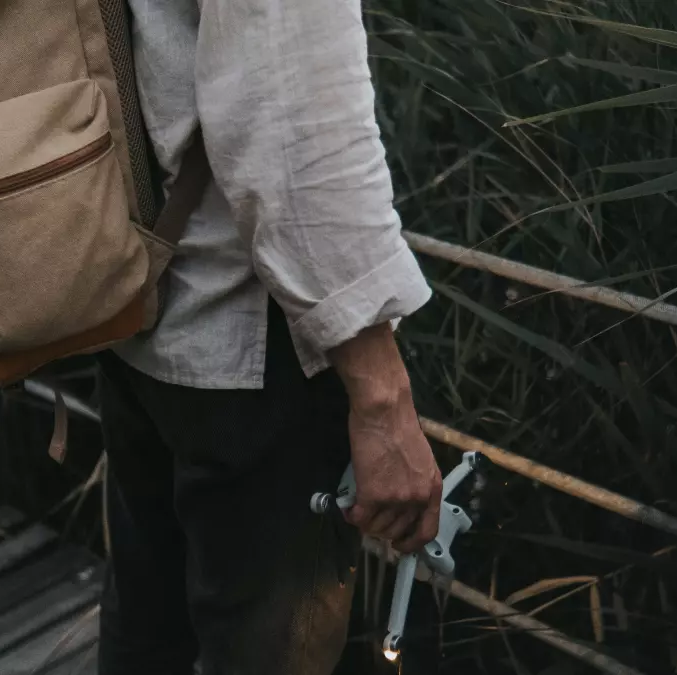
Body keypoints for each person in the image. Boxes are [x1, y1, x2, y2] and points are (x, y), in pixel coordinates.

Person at [95, 1, 443, 673]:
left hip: (137, 303)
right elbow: (295, 117)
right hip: (248, 344)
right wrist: (382, 396)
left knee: (147, 638)